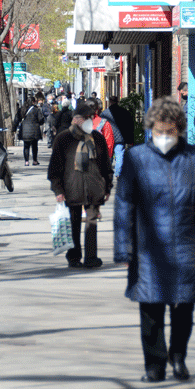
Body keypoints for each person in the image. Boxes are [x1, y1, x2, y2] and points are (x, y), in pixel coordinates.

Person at [114, 97, 195, 383]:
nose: (165, 137)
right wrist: (124, 249)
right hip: (148, 250)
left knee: (184, 310)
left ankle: (178, 356)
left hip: (186, 246)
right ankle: (154, 365)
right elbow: (124, 205)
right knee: (151, 311)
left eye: (170, 131)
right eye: (159, 131)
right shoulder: (136, 158)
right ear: (150, 129)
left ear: (179, 129)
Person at [48, 105, 113, 268]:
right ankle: (74, 257)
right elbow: (55, 167)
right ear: (76, 120)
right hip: (72, 188)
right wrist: (58, 189)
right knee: (73, 223)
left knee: (92, 223)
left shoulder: (97, 138)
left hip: (94, 187)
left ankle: (91, 258)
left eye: (90, 118)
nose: (90, 121)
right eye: (86, 118)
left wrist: (107, 187)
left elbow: (106, 165)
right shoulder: (63, 138)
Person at [100, 95, 134, 178]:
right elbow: (129, 126)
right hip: (120, 138)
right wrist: (130, 140)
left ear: (109, 102)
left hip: (108, 139)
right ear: (117, 101)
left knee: (109, 156)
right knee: (120, 156)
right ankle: (118, 173)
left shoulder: (104, 114)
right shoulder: (124, 112)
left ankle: (108, 172)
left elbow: (100, 127)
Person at [13, 93, 45, 166]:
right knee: (34, 146)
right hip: (34, 131)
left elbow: (16, 119)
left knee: (26, 146)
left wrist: (14, 129)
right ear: (33, 102)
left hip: (24, 131)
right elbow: (41, 120)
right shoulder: (36, 110)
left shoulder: (22, 109)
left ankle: (26, 161)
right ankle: (34, 160)